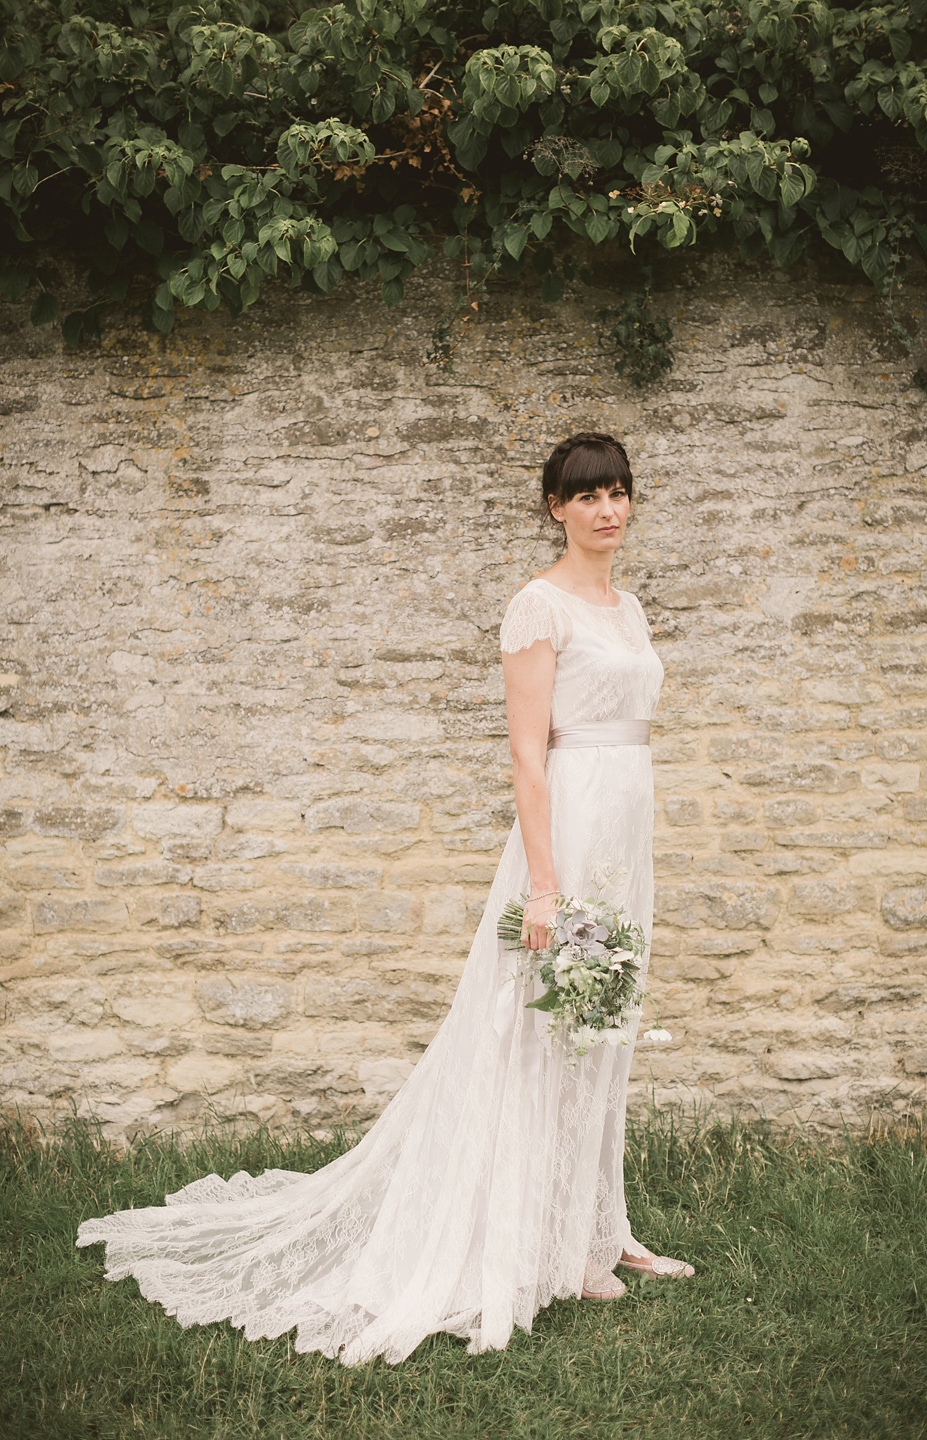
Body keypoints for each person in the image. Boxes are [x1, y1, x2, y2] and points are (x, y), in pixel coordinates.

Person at [77, 430, 694, 1367]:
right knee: (536, 1031)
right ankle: (532, 1242)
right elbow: (531, 753)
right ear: (555, 509)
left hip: (626, 835)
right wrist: (545, 883)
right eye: (587, 496)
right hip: (566, 832)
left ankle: (594, 1232)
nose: (607, 510)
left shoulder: (632, 606)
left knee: (601, 1030)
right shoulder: (539, 605)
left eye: (619, 492)